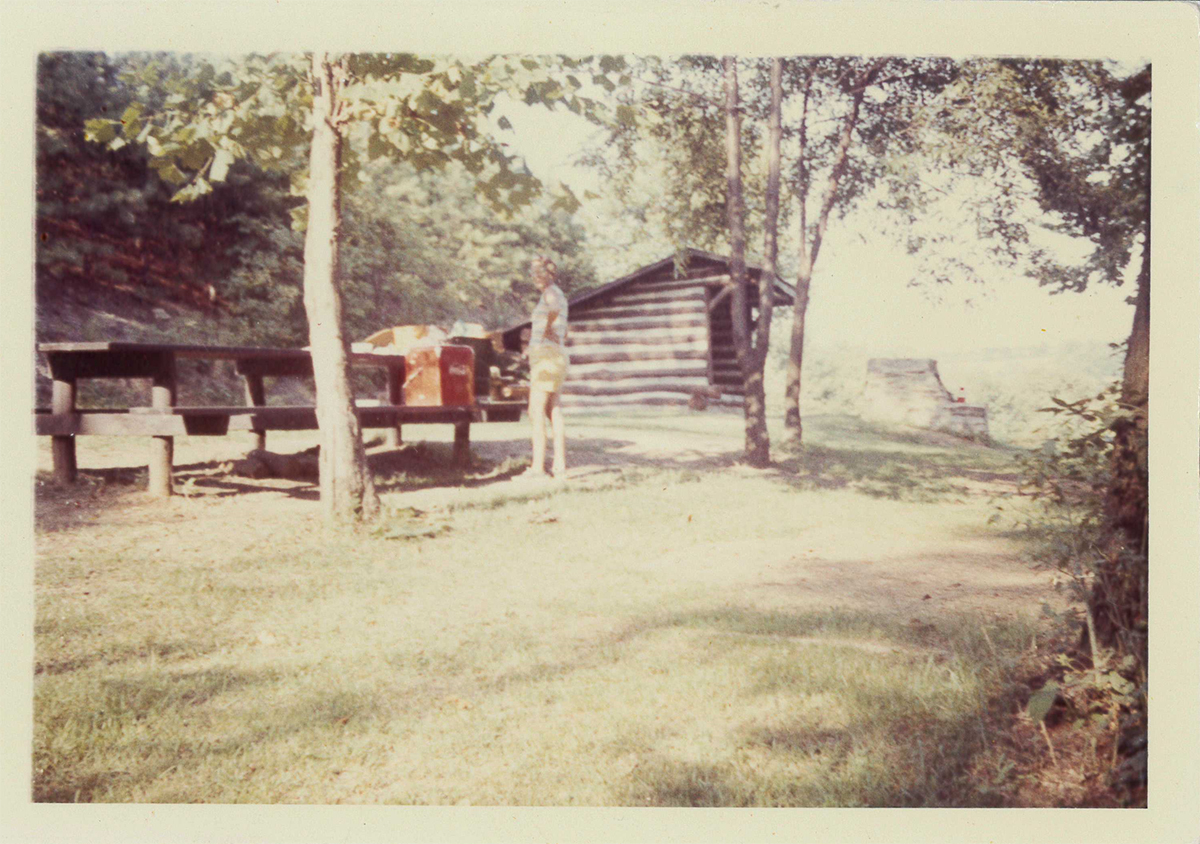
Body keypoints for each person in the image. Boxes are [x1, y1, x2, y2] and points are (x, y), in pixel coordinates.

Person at [519, 256, 569, 479]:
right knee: (553, 410)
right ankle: (559, 465)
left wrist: (546, 331)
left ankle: (538, 468)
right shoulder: (557, 293)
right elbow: (563, 329)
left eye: (540, 272)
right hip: (555, 354)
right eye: (533, 273)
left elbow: (555, 310)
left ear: (551, 274)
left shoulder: (551, 292)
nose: (536, 277)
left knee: (535, 411)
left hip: (547, 357)